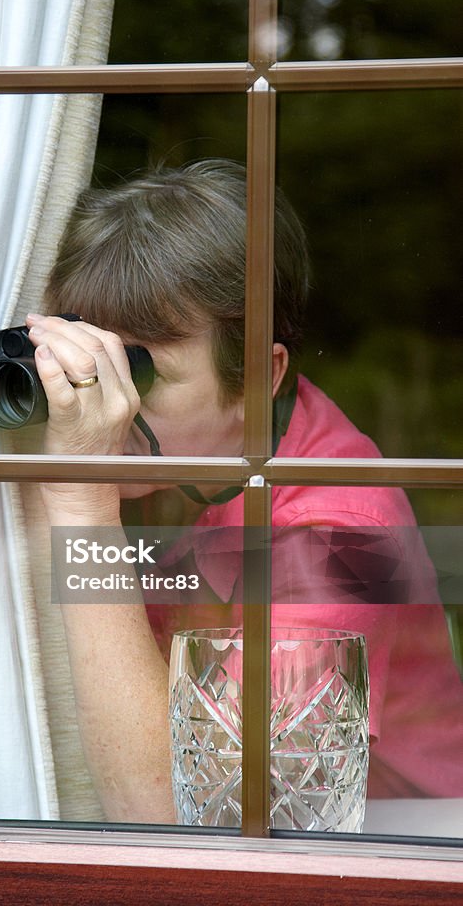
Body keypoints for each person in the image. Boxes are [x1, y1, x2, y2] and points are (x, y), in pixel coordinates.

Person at [24, 159, 463, 823]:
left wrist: (80, 502)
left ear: (259, 374)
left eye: (140, 370)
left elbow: (183, 819)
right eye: (86, 359)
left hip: (388, 856)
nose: (98, 398)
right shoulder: (196, 457)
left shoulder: (339, 538)